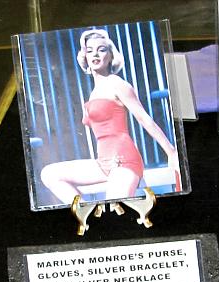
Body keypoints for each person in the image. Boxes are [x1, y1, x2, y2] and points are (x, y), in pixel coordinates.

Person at [41, 29, 180, 204]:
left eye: (101, 50)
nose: (95, 54)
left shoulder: (117, 84)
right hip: (102, 163)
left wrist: (171, 152)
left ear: (111, 56)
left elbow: (144, 119)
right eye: (90, 50)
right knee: (49, 174)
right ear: (85, 57)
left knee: (114, 209)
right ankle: (85, 210)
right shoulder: (94, 92)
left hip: (123, 162)